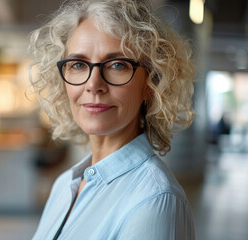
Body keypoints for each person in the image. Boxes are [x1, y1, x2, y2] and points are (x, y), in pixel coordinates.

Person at [28, 0, 196, 239]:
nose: (93, 84)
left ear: (151, 83)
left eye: (118, 64)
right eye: (78, 64)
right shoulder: (64, 185)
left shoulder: (154, 200)